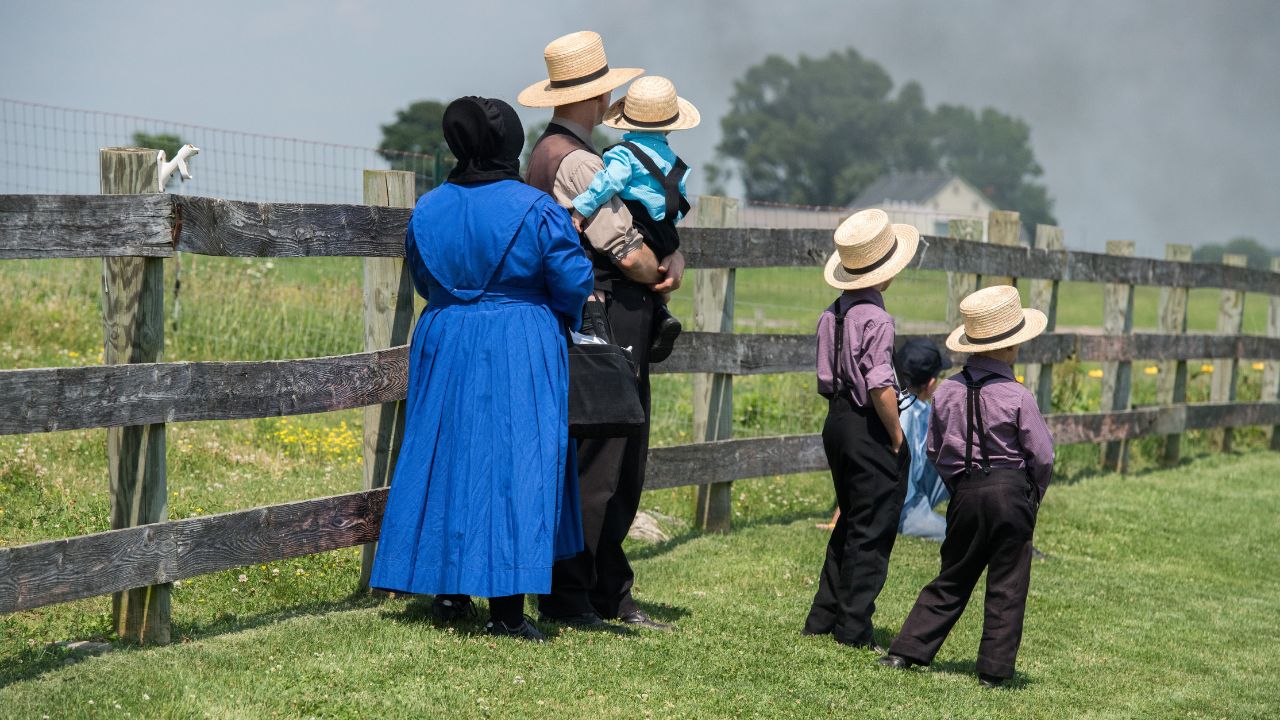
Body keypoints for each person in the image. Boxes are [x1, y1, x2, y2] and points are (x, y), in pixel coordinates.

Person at [369, 96, 594, 642]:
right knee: (516, 462)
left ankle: (449, 593)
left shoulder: (427, 209)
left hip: (446, 336)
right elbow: (573, 282)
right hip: (519, 339)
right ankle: (507, 612)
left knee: (448, 455)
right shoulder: (536, 209)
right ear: (510, 143)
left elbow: (425, 279)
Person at [519, 30, 685, 631]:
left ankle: (603, 588)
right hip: (611, 310)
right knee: (608, 455)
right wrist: (663, 267)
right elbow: (625, 249)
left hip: (591, 310)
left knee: (600, 450)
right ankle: (576, 593)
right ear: (596, 95)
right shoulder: (580, 161)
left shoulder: (546, 152)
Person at [879, 285, 1055, 686]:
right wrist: (1032, 495)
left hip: (966, 492)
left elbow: (935, 449)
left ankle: (906, 650)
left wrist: (960, 486)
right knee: (1008, 583)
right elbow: (1042, 455)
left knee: (953, 574)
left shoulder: (947, 391)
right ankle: (993, 670)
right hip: (1012, 493)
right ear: (1009, 347)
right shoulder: (1019, 396)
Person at [802, 209, 919, 650]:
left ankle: (823, 617)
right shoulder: (877, 319)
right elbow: (880, 385)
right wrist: (896, 435)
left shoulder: (831, 313)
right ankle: (853, 629)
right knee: (873, 529)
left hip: (836, 421)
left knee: (851, 519)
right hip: (866, 423)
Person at [569, 75, 700, 363]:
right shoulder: (673, 159)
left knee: (603, 262)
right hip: (666, 232)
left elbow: (608, 183)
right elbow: (679, 200)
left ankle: (643, 317)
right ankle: (662, 312)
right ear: (670, 125)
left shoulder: (624, 154)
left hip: (640, 224)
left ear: (626, 121)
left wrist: (581, 208)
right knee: (658, 273)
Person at [815, 338, 952, 541]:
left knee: (959, 460)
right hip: (901, 506)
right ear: (931, 384)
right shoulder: (902, 416)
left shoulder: (916, 406)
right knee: (953, 534)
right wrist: (839, 521)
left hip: (915, 487)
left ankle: (971, 511)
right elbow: (867, 468)